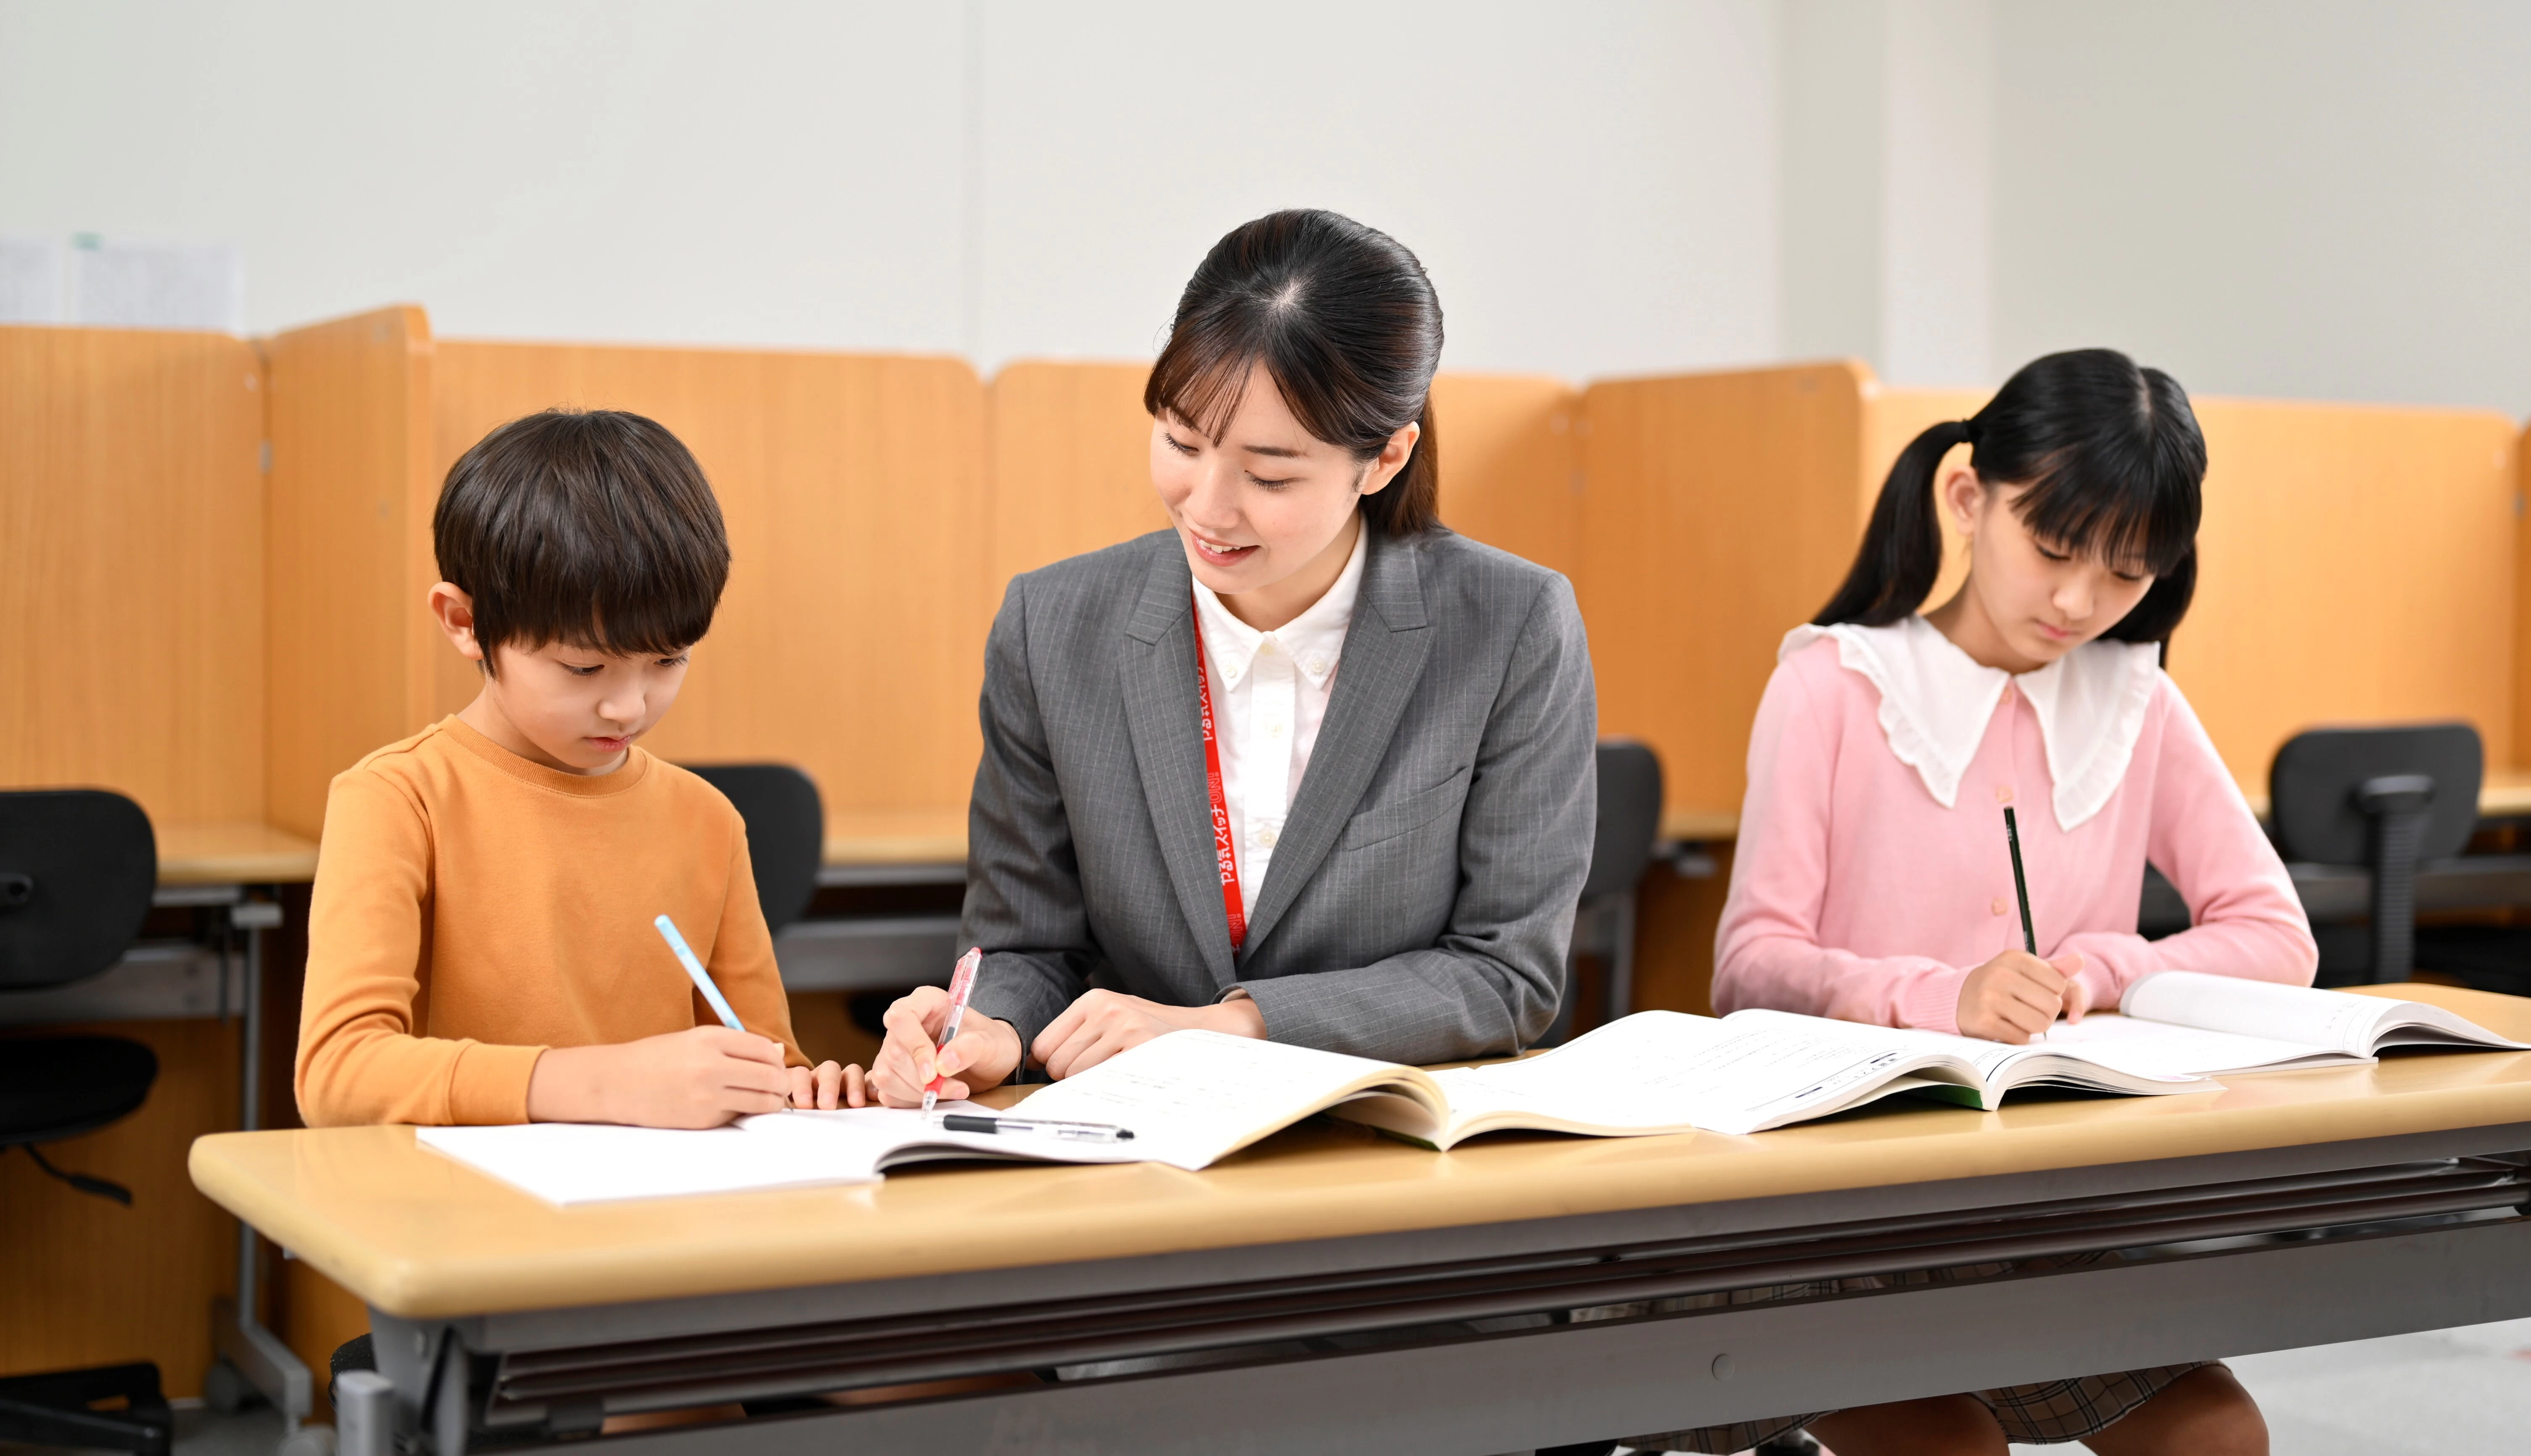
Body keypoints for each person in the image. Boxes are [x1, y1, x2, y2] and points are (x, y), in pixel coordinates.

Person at [1607, 350, 2307, 1456]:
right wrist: (1940, 996)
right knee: (1951, 1448)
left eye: (2126, 572)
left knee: (2215, 1437)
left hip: (2038, 1202)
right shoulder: (1833, 684)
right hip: (1834, 1208)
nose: (2078, 602)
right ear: (1968, 497)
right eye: (2054, 549)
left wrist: (2098, 967)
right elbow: (1749, 963)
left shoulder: (2137, 700)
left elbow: (2276, 936)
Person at [862, 208, 1597, 1106]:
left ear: (1385, 458)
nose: (1207, 507)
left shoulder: (1511, 625)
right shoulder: (1051, 627)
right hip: (1134, 1142)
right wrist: (990, 1028)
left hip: (1390, 1144)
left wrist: (1230, 1026)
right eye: (1182, 442)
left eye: (1270, 474)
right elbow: (1027, 945)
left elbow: (1505, 974)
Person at [295, 409, 856, 1128]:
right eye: (584, 668)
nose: (628, 707)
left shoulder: (707, 821)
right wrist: (603, 1084)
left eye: (668, 660)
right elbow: (338, 1075)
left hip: (659, 1196)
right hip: (460, 1196)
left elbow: (764, 1060)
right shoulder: (398, 800)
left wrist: (806, 1087)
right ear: (465, 623)